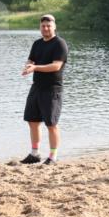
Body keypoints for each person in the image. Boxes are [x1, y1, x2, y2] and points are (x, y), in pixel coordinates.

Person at [20, 14, 69, 165]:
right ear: (40, 27)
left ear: (54, 27)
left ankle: (53, 157)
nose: (46, 28)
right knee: (32, 120)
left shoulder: (60, 44)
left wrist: (35, 68)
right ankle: (35, 154)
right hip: (36, 87)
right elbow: (31, 59)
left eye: (48, 26)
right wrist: (28, 66)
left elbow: (56, 66)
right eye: (43, 26)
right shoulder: (37, 43)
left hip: (52, 89)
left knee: (51, 124)